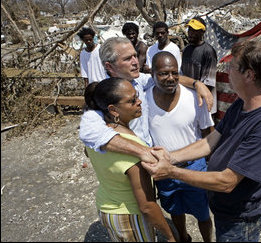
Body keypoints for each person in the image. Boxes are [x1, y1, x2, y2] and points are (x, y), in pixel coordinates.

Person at [142, 40, 261, 242]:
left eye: (233, 67)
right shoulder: (242, 103)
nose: (227, 72)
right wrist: (170, 157)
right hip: (224, 209)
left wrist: (172, 171)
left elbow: (227, 182)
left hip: (240, 219)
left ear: (249, 75)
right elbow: (210, 140)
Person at [79, 37, 213, 167]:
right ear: (109, 66)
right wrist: (143, 152)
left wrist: (197, 84)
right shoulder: (103, 95)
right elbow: (90, 133)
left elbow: (165, 76)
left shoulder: (139, 81)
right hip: (131, 164)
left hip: (154, 165)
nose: (136, 62)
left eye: (135, 56)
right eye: (127, 58)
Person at [84, 78, 175, 242]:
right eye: (132, 101)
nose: (139, 102)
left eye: (137, 96)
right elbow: (146, 206)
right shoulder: (135, 151)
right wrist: (170, 236)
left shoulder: (95, 136)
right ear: (113, 110)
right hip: (129, 218)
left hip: (106, 209)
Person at [147, 52, 214, 242]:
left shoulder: (194, 98)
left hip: (195, 167)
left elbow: (208, 133)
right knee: (175, 210)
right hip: (164, 171)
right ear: (152, 73)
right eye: (163, 74)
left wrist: (208, 164)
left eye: (174, 73)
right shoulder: (143, 101)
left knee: (203, 213)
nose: (170, 78)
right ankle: (183, 237)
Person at [181, 17, 218, 117]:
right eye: (190, 30)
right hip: (187, 101)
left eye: (194, 31)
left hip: (204, 103)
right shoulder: (186, 50)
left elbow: (208, 84)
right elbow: (182, 75)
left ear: (202, 32)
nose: (191, 33)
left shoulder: (208, 52)